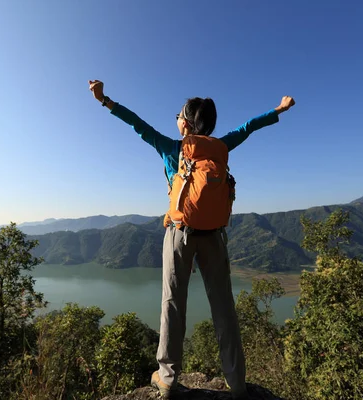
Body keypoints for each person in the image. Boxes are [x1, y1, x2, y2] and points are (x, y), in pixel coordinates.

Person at [88, 79, 295, 399]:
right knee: (224, 306)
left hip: (179, 234)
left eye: (177, 117)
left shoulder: (172, 148)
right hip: (214, 236)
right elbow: (249, 126)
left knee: (172, 304)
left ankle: (167, 377)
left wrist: (105, 100)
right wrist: (278, 109)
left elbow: (137, 124)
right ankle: (237, 383)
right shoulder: (221, 147)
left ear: (184, 122)